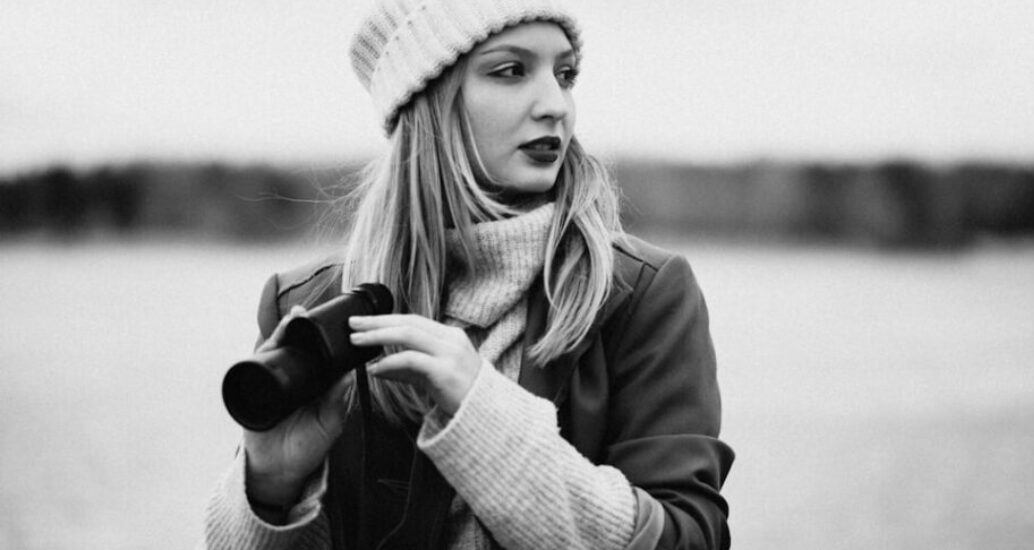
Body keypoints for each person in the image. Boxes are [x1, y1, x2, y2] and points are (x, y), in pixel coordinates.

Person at [204, 0, 734, 548]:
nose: (556, 106)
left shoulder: (640, 294)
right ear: (428, 104)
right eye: (511, 71)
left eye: (565, 74)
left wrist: (484, 420)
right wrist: (271, 488)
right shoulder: (308, 302)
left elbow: (691, 537)